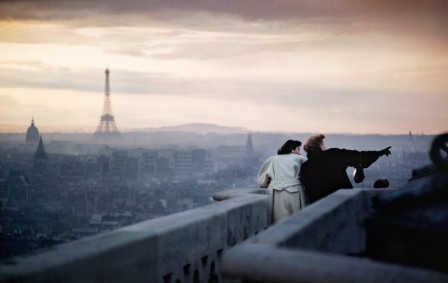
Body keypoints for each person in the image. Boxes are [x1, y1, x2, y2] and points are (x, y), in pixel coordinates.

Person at [300, 134, 391, 203]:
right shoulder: (333, 155)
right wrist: (378, 153)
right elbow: (357, 156)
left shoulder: (304, 168)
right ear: (320, 145)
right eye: (324, 145)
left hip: (321, 207)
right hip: (342, 200)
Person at [258, 140, 307, 223]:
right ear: (292, 149)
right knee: (296, 222)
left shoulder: (272, 159)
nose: (299, 153)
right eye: (298, 149)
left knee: (277, 221)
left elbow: (262, 181)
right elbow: (308, 175)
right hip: (295, 192)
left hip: (275, 193)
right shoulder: (300, 159)